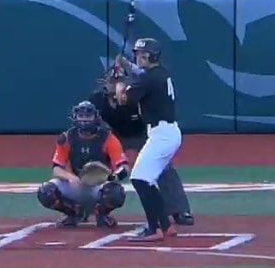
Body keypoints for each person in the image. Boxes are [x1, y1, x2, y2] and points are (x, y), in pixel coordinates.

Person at [90, 69, 194, 225]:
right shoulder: (98, 99)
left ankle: (179, 210)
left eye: (119, 80)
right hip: (112, 137)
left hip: (140, 135)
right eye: (112, 80)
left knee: (163, 166)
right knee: (92, 163)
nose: (115, 84)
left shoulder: (137, 96)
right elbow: (95, 129)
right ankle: (88, 207)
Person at [111, 37, 181, 242]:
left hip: (162, 134)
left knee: (140, 178)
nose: (138, 57)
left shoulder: (148, 78)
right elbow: (141, 75)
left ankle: (154, 228)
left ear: (150, 55)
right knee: (145, 179)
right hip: (166, 132)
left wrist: (119, 80)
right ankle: (165, 225)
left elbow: (123, 99)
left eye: (141, 54)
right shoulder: (160, 72)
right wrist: (126, 66)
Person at [37, 101, 130, 228]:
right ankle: (74, 212)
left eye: (88, 116)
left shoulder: (107, 138)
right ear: (75, 118)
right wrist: (71, 177)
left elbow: (124, 167)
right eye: (81, 116)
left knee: (116, 193)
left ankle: (101, 214)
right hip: (77, 185)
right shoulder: (67, 138)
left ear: (95, 117)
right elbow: (56, 169)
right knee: (46, 191)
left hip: (99, 186)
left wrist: (110, 177)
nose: (84, 120)